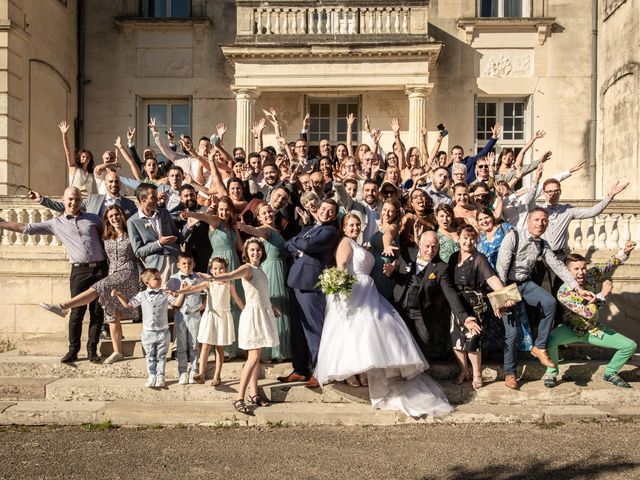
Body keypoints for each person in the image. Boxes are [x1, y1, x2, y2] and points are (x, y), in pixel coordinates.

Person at [314, 214, 453, 417]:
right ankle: (353, 373)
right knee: (354, 331)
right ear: (344, 228)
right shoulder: (345, 242)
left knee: (367, 334)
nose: (355, 227)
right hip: (353, 291)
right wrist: (343, 292)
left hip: (368, 291)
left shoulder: (360, 244)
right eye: (351, 225)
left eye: (357, 224)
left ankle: (363, 372)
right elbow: (342, 267)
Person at [1, 187, 107, 363]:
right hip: (79, 271)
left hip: (101, 270)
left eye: (77, 200)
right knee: (77, 312)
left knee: (97, 312)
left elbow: (109, 237)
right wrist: (1, 223)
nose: (73, 203)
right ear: (63, 200)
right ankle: (73, 350)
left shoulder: (94, 219)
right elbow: (25, 227)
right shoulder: (55, 223)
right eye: (70, 199)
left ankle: (92, 351)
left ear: (82, 201)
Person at [495, 207, 595, 390]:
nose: (540, 224)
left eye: (544, 221)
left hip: (525, 284)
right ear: (528, 221)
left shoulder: (542, 244)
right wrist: (501, 298)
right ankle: (510, 374)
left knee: (549, 302)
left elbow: (558, 266)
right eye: (537, 220)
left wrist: (577, 288)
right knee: (512, 332)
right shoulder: (513, 237)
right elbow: (500, 269)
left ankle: (540, 346)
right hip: (507, 285)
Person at [37, 205, 139, 364]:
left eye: (116, 214)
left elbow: (143, 249)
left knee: (98, 287)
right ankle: (118, 351)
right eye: (110, 216)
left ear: (122, 215)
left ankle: (63, 306)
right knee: (112, 313)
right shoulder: (106, 235)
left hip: (127, 273)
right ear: (107, 220)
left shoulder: (132, 232)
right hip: (112, 272)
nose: (114, 218)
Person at [544, 241, 637, 389]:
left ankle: (610, 373)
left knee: (629, 345)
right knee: (550, 341)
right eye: (576, 269)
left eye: (583, 268)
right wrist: (602, 295)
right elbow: (587, 312)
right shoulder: (563, 292)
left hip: (595, 330)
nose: (581, 272)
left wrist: (624, 252)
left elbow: (608, 265)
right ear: (567, 271)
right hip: (571, 330)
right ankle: (552, 372)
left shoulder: (591, 276)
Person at [211, 238, 279, 415]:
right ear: (246, 253)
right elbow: (230, 275)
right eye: (252, 250)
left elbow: (261, 292)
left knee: (257, 357)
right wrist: (214, 277)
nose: (255, 253)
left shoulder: (260, 270)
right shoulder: (247, 268)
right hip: (253, 316)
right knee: (253, 357)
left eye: (258, 250)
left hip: (263, 313)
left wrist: (271, 306)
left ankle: (254, 393)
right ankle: (238, 398)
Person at [280, 199, 340, 387]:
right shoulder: (309, 228)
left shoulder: (330, 232)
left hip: (311, 284)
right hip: (295, 281)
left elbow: (304, 247)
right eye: (323, 209)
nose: (326, 213)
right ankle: (300, 369)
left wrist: (301, 246)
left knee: (313, 329)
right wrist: (301, 243)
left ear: (335, 215)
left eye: (330, 211)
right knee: (297, 330)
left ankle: (319, 371)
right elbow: (288, 244)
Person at [447, 225, 513, 390]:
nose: (468, 241)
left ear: (476, 240)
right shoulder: (453, 257)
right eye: (465, 237)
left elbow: (491, 279)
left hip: (475, 304)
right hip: (457, 304)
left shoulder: (479, 258)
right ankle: (464, 371)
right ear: (459, 238)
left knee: (472, 339)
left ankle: (476, 374)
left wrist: (505, 296)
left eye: (471, 238)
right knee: (457, 340)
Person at [390, 230, 471, 361]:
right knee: (398, 344)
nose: (430, 250)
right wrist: (390, 273)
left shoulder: (441, 267)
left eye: (434, 246)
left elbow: (450, 293)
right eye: (427, 246)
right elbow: (398, 276)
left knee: (423, 345)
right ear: (419, 244)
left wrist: (464, 317)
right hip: (400, 308)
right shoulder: (407, 254)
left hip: (421, 313)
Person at [238, 202, 293, 362]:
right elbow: (255, 231)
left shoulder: (277, 231)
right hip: (271, 271)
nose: (268, 215)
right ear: (260, 217)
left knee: (282, 308)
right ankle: (273, 351)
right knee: (274, 308)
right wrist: (245, 228)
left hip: (282, 270)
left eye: (270, 212)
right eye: (264, 213)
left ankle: (283, 348)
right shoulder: (266, 230)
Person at [176, 257, 243, 386]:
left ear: (226, 270)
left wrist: (246, 310)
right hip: (210, 316)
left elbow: (237, 299)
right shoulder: (209, 283)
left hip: (222, 317)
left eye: (221, 268)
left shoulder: (230, 284)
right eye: (215, 269)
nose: (218, 271)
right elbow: (193, 288)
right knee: (205, 345)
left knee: (219, 348)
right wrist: (178, 291)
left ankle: (217, 375)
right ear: (211, 270)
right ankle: (201, 374)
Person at [112, 268, 171, 388]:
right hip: (148, 331)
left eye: (160, 278)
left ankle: (160, 376)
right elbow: (128, 304)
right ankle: (152, 375)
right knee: (150, 355)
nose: (160, 280)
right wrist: (119, 295)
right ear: (147, 282)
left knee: (161, 355)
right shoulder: (142, 295)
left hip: (162, 331)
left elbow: (176, 303)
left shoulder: (165, 293)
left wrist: (180, 293)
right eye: (156, 279)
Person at [127, 183, 186, 284]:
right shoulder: (133, 221)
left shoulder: (165, 213)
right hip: (156, 267)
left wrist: (188, 227)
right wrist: (159, 243)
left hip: (175, 260)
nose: (157, 200)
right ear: (143, 199)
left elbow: (177, 234)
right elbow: (138, 251)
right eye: (153, 197)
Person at [164, 253, 203, 385]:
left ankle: (194, 370)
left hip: (195, 315)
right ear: (178, 265)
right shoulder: (173, 280)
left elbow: (210, 290)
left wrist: (204, 305)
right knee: (181, 344)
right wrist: (174, 300)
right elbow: (167, 295)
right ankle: (182, 371)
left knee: (194, 344)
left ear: (194, 264)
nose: (187, 266)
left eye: (190, 264)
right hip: (180, 315)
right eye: (184, 264)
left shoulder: (198, 278)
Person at [33, 171, 137, 220]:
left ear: (120, 183)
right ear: (105, 183)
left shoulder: (130, 204)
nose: (113, 184)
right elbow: (67, 207)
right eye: (110, 181)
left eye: (116, 181)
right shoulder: (92, 200)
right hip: (97, 245)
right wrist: (42, 200)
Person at [59, 121, 95, 194]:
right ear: (79, 157)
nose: (85, 158)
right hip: (74, 197)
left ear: (90, 160)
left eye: (88, 157)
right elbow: (67, 151)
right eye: (83, 156)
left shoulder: (90, 173)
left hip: (87, 200)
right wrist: (64, 135)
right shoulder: (74, 167)